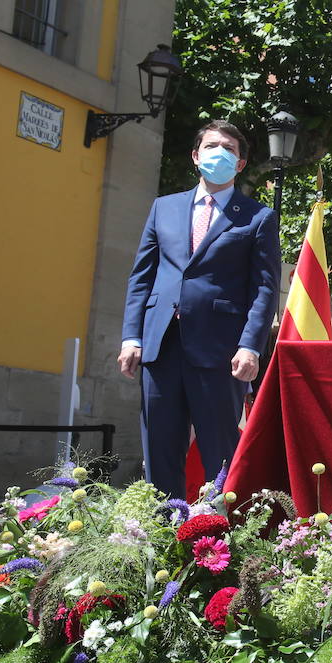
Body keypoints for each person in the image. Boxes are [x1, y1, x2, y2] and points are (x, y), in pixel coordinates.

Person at [119, 120, 280, 499]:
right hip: (161, 346)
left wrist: (250, 346)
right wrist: (131, 336)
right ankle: (161, 540)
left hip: (220, 352)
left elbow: (264, 288)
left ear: (240, 164)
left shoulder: (257, 217)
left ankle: (218, 542)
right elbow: (141, 277)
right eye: (211, 146)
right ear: (196, 156)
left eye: (228, 149)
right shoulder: (164, 208)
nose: (218, 154)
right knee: (159, 451)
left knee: (220, 458)